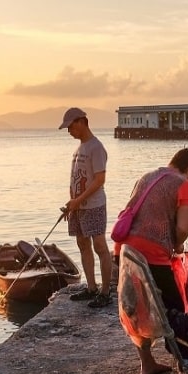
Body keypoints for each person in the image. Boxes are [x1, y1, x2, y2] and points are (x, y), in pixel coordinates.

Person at [114, 148, 188, 374]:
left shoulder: (147, 177)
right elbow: (184, 227)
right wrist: (178, 245)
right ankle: (186, 360)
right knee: (174, 308)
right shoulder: (182, 183)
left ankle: (147, 363)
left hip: (125, 250)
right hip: (152, 253)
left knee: (138, 308)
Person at [59, 107, 113, 308]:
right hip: (78, 206)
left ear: (81, 122)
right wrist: (72, 203)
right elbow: (76, 178)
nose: (69, 131)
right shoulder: (79, 149)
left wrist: (79, 199)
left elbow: (99, 180)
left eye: (71, 126)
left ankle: (105, 292)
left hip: (94, 205)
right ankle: (91, 288)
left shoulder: (96, 147)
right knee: (83, 244)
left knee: (99, 246)